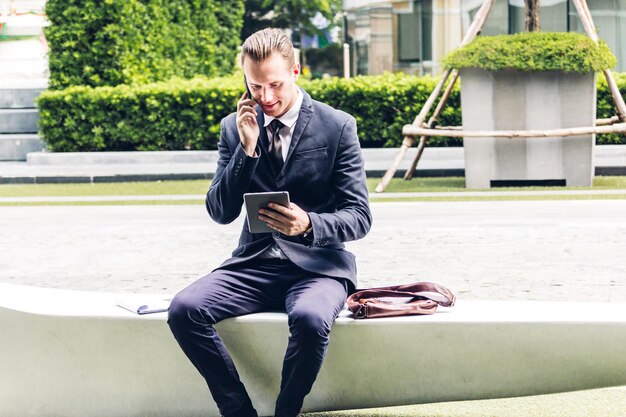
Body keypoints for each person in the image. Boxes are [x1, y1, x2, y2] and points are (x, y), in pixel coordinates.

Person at [167, 28, 372, 417]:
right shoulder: (234, 127)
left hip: (319, 269)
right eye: (255, 86)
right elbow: (220, 211)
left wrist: (308, 224)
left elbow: (359, 216)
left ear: (296, 70)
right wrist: (246, 149)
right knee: (184, 309)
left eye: (275, 84)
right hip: (254, 264)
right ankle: (237, 410)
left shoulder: (337, 126)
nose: (266, 97)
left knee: (311, 320)